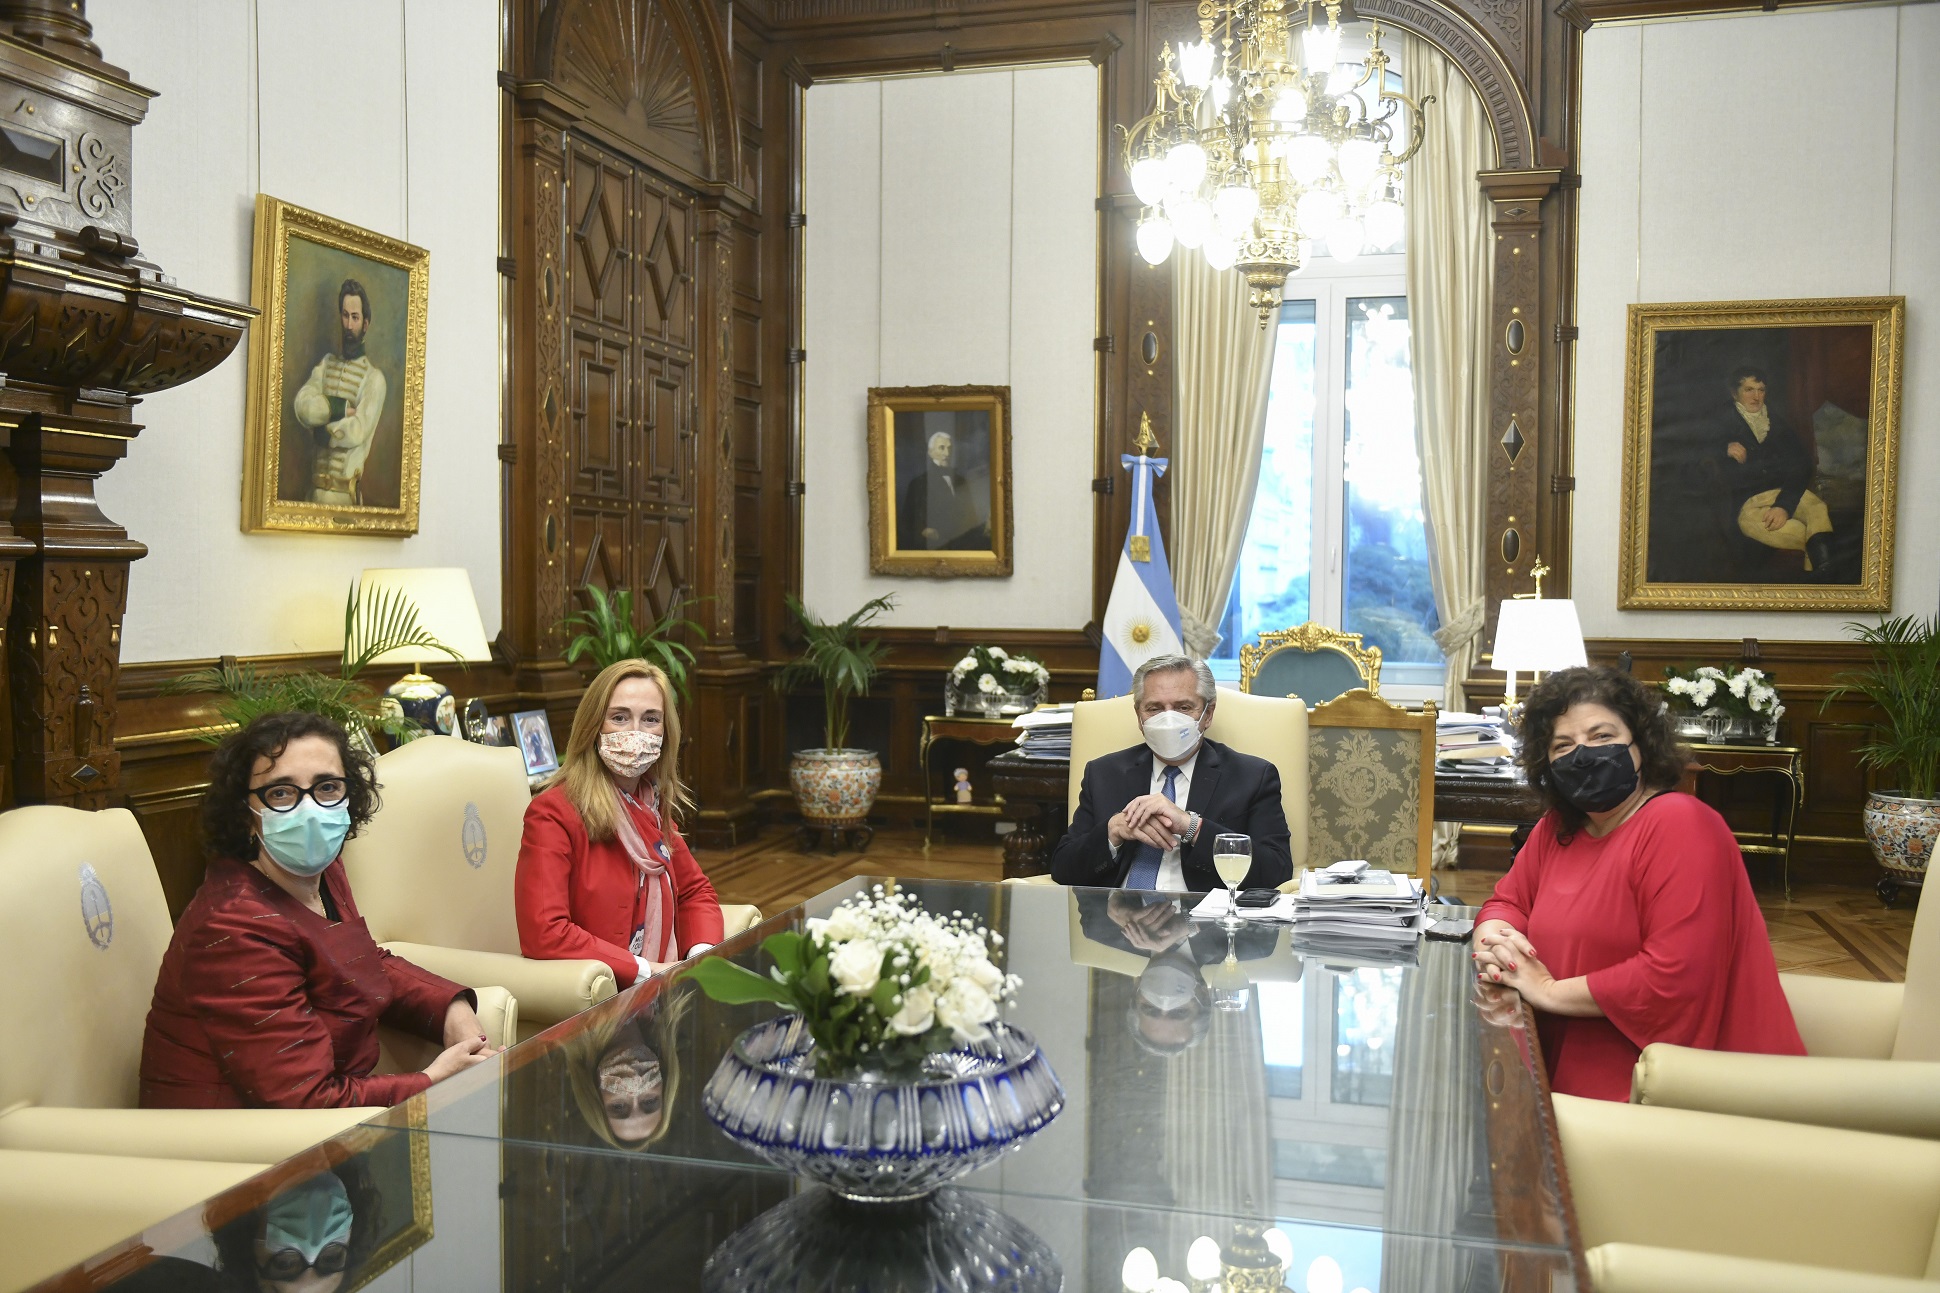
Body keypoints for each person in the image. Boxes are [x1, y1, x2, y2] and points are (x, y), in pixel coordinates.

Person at [1473, 666, 1804, 1101]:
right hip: (1562, 1072)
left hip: (1671, 1089)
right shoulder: (1558, 828)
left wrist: (1548, 990)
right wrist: (1495, 934)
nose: (1583, 754)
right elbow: (1507, 901)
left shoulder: (1682, 825)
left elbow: (1674, 978)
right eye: (1563, 745)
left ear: (1640, 745)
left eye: (1602, 737)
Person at [140, 713, 495, 1109]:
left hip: (326, 1120)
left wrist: (451, 1007)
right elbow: (306, 1100)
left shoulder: (322, 872)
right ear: (246, 814)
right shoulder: (232, 924)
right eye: (281, 793)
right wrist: (433, 1079)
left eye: (327, 787)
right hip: (240, 1148)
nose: (309, 809)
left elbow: (360, 960)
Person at [515, 659, 724, 989]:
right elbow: (545, 932)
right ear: (593, 726)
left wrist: (700, 953)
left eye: (651, 719)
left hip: (661, 991)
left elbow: (695, 892)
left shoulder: (649, 804)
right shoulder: (553, 812)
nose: (635, 733)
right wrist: (646, 970)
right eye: (619, 717)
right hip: (594, 998)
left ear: (666, 734)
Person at [1051, 654, 1292, 892]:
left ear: (1208, 714)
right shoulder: (1104, 773)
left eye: (1183, 707)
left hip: (1203, 923)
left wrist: (1192, 827)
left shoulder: (1252, 777)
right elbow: (1063, 868)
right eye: (1154, 708)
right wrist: (1112, 832)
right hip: (1117, 920)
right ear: (1139, 716)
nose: (1168, 719)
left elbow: (1276, 870)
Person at [1710, 366, 1835, 578]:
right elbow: (1685, 449)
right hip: (1748, 504)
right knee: (1803, 532)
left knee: (1817, 508)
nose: (1757, 396)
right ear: (1734, 393)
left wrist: (1783, 506)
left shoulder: (1776, 423)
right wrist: (1722, 448)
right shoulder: (1720, 420)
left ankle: (1824, 577)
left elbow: (1802, 464)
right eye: (1749, 389)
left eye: (1761, 390)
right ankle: (1824, 576)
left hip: (1781, 494)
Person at [292, 279, 387, 506]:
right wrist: (339, 408)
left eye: (354, 318)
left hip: (344, 499)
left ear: (365, 324)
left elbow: (357, 430)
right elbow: (302, 406)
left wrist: (325, 433)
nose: (348, 325)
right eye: (345, 315)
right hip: (312, 496)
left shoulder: (374, 379)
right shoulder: (326, 365)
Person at [897, 428, 987, 550]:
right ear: (931, 452)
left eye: (949, 448)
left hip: (961, 546)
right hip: (933, 547)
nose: (947, 453)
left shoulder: (961, 480)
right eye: (941, 448)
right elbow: (907, 523)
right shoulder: (918, 483)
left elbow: (971, 516)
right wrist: (922, 531)